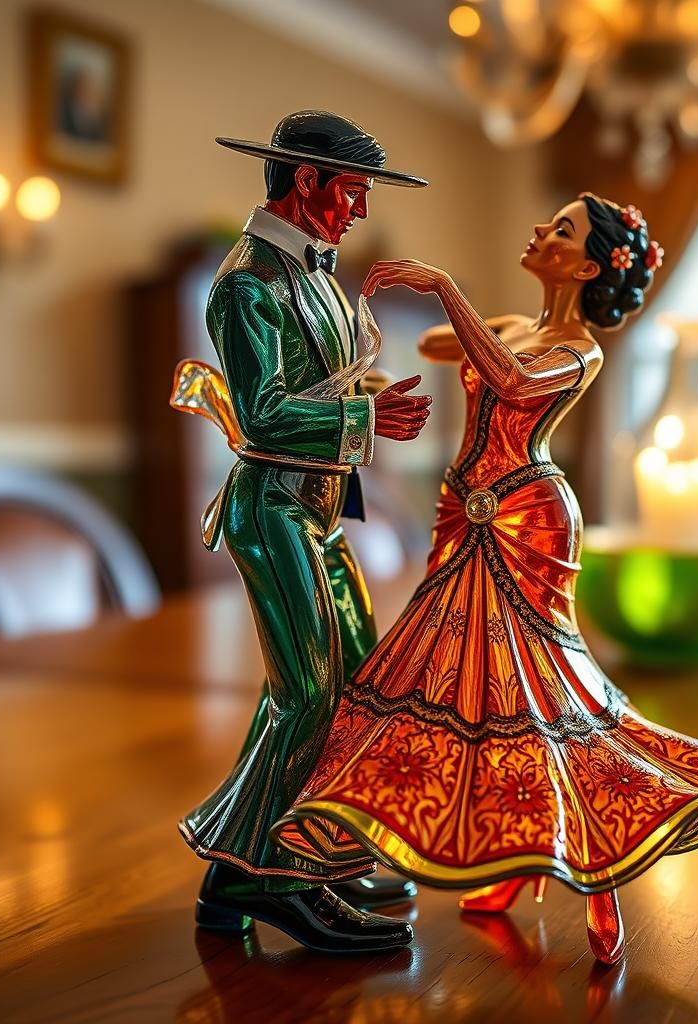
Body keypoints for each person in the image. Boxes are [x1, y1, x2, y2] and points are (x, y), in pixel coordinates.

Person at [271, 194, 698, 964]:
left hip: (526, 520)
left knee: (545, 691)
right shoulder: (515, 327)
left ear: (589, 267)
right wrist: (351, 321)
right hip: (465, 511)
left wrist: (445, 288)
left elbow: (513, 384)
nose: (539, 231)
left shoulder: (578, 348)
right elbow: (441, 346)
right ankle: (504, 855)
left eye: (560, 230)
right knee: (467, 690)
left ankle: (596, 875)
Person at [170, 111, 432, 954]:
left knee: (344, 681)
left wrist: (373, 396)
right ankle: (257, 875)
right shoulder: (246, 285)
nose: (357, 210)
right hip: (273, 508)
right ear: (309, 183)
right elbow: (262, 414)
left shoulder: (312, 273)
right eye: (351, 191)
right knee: (308, 692)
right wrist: (367, 419)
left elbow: (331, 382)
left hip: (319, 509)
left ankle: (290, 856)